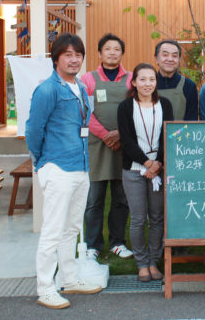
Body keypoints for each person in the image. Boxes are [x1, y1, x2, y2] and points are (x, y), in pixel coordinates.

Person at [25, 33, 102, 309]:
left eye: (78, 54)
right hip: (57, 167)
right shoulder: (48, 89)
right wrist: (42, 162)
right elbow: (33, 131)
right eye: (68, 54)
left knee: (72, 228)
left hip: (81, 166)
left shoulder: (80, 87)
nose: (74, 59)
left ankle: (68, 278)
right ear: (56, 58)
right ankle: (45, 287)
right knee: (53, 230)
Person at [117, 63, 174, 282]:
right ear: (133, 82)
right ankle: (141, 263)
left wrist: (157, 163)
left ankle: (153, 261)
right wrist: (147, 163)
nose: (147, 83)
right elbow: (127, 140)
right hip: (134, 168)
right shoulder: (125, 107)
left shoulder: (164, 105)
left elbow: (166, 135)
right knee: (139, 219)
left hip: (158, 169)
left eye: (152, 79)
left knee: (157, 218)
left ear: (156, 82)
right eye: (142, 79)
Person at [80, 34, 134, 261]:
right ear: (100, 53)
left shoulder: (132, 78)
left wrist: (121, 134)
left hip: (125, 144)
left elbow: (137, 108)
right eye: (107, 49)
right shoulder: (87, 79)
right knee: (94, 199)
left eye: (116, 49)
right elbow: (84, 112)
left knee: (121, 198)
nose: (112, 53)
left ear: (122, 53)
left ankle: (117, 242)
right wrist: (106, 135)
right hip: (97, 146)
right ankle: (92, 245)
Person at [154, 39, 198, 120]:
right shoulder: (148, 85)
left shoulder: (189, 86)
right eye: (165, 55)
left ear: (179, 59)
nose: (170, 59)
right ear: (156, 59)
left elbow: (191, 121)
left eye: (174, 56)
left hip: (182, 132)